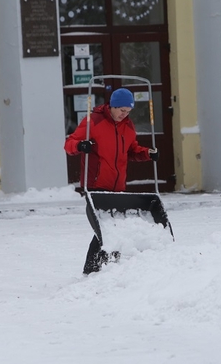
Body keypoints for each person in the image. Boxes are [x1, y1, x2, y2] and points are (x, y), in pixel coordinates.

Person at [64, 88, 159, 274]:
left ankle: (106, 270)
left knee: (113, 229)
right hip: (96, 185)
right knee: (105, 229)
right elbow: (69, 144)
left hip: (118, 187)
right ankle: (95, 270)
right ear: (113, 106)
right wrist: (80, 145)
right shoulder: (94, 121)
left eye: (128, 111)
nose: (124, 115)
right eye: (122, 110)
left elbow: (131, 151)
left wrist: (147, 153)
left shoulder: (128, 126)